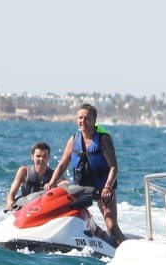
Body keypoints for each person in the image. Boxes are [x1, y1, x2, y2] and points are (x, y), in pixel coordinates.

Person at [47, 103, 125, 245]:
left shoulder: (103, 139)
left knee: (112, 226)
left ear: (94, 121)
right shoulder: (73, 139)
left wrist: (108, 187)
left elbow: (114, 167)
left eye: (87, 118)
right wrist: (52, 182)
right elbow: (62, 164)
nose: (83, 121)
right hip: (82, 188)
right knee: (67, 214)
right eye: (80, 118)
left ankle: (124, 248)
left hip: (102, 189)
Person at [4, 142, 52, 210]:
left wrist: (63, 183)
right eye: (38, 156)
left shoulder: (55, 174)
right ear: (32, 157)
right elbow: (12, 193)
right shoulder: (24, 171)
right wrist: (10, 202)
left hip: (45, 206)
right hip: (26, 206)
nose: (41, 159)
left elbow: (64, 184)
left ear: (49, 158)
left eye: (44, 156)